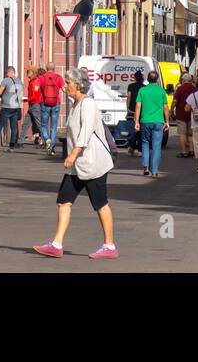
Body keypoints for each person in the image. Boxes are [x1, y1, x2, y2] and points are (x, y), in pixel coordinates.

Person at [33, 68, 118, 259]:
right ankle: (56, 244)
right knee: (63, 201)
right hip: (77, 167)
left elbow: (85, 132)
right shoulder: (76, 104)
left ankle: (109, 246)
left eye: (68, 83)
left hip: (92, 164)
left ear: (78, 85)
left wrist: (72, 154)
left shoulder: (87, 104)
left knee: (100, 204)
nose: (64, 87)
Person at [133, 70, 168, 178]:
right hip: (158, 121)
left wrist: (136, 121)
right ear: (157, 79)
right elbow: (165, 108)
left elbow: (138, 106)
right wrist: (167, 121)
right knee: (157, 146)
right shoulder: (162, 91)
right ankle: (155, 171)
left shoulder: (142, 90)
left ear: (147, 79)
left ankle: (146, 167)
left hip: (145, 121)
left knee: (145, 143)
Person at [39, 65, 65, 154]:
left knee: (43, 125)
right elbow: (64, 89)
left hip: (44, 103)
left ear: (46, 69)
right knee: (53, 127)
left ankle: (47, 139)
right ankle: (52, 148)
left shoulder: (42, 77)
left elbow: (36, 88)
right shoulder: (58, 77)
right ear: (54, 69)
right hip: (56, 103)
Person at [171, 72, 197, 158]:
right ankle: (191, 150)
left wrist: (171, 109)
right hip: (192, 114)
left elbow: (175, 101)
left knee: (182, 134)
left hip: (181, 114)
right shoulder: (194, 89)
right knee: (190, 134)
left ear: (183, 80)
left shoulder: (180, 89)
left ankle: (183, 152)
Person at [125, 70, 145, 155]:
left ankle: (132, 147)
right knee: (140, 130)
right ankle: (139, 149)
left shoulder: (131, 86)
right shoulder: (144, 87)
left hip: (132, 110)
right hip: (141, 110)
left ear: (135, 78)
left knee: (133, 130)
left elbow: (129, 97)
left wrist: (128, 109)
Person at [26, 67, 46, 147]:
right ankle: (41, 139)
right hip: (41, 103)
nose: (27, 73)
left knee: (38, 122)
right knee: (38, 122)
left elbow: (36, 93)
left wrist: (28, 99)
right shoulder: (38, 80)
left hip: (36, 103)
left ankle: (44, 139)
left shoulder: (36, 81)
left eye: (29, 71)